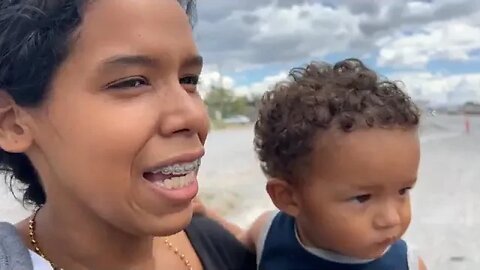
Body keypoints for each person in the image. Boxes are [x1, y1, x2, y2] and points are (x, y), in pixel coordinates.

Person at [0, 0, 256, 269]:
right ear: (12, 123)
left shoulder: (226, 248)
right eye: (132, 82)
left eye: (189, 80)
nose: (193, 116)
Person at [204, 58, 428, 269]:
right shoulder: (269, 233)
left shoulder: (407, 264)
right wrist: (205, 215)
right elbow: (233, 250)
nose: (392, 219)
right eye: (363, 197)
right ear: (288, 197)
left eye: (403, 191)